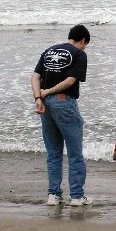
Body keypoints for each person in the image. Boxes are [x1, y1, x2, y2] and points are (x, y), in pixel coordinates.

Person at [31, 24, 92, 207]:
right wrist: (49, 91)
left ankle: (54, 195)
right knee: (75, 153)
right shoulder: (80, 54)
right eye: (85, 44)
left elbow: (35, 77)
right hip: (63, 102)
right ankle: (77, 196)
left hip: (45, 104)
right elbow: (71, 80)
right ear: (83, 41)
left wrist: (38, 98)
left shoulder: (49, 51)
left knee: (54, 152)